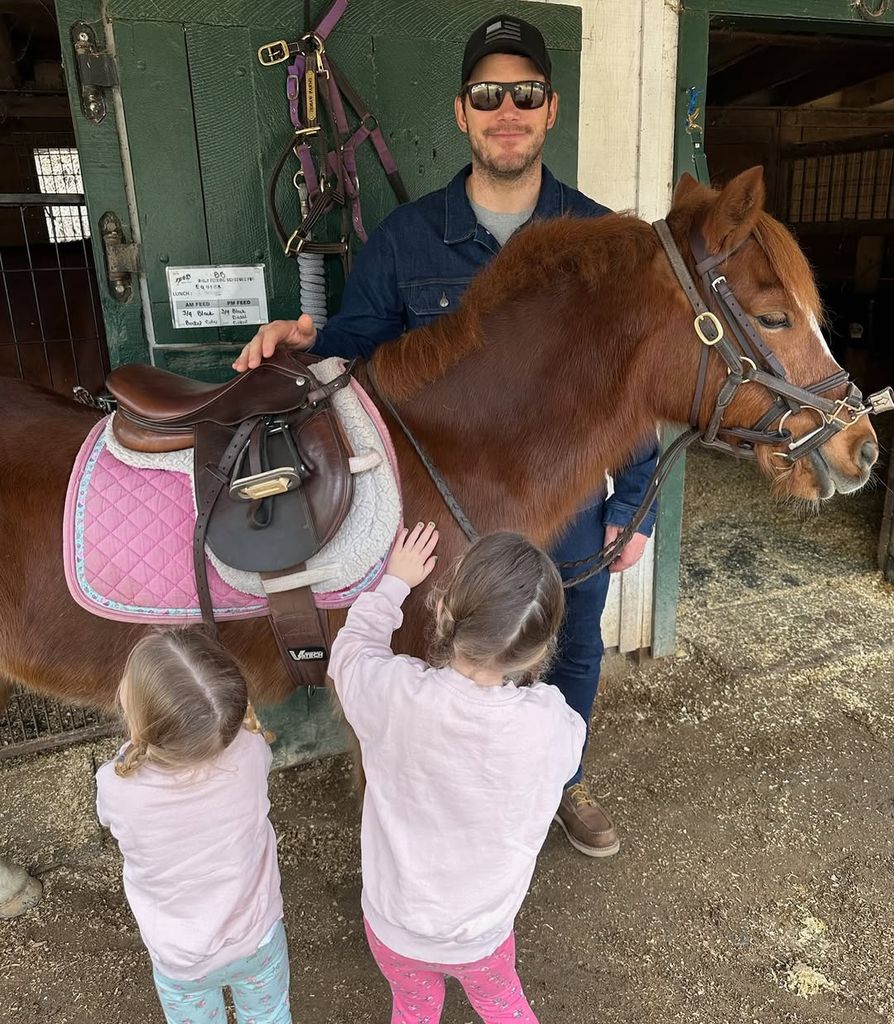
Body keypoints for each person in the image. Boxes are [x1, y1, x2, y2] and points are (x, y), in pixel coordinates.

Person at [233, 14, 659, 857]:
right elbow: (358, 353)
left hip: (568, 506)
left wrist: (636, 508)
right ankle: (434, 816)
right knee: (431, 655)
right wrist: (306, 339)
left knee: (571, 647)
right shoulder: (405, 239)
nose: (508, 110)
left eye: (525, 94)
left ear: (551, 109)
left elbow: (631, 385)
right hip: (439, 508)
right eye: (488, 95)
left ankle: (556, 784)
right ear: (462, 113)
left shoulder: (608, 245)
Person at [329, 522, 586, 1023]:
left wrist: (393, 584)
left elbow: (352, 651)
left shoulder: (392, 694)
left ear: (444, 612)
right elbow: (569, 749)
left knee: (413, 1010)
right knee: (503, 1005)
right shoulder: (549, 724)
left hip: (393, 927)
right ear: (539, 649)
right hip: (481, 935)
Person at [95, 628, 292, 1024]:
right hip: (257, 940)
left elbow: (111, 819)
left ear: (138, 723)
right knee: (270, 1016)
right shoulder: (253, 751)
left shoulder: (117, 787)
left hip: (181, 960)